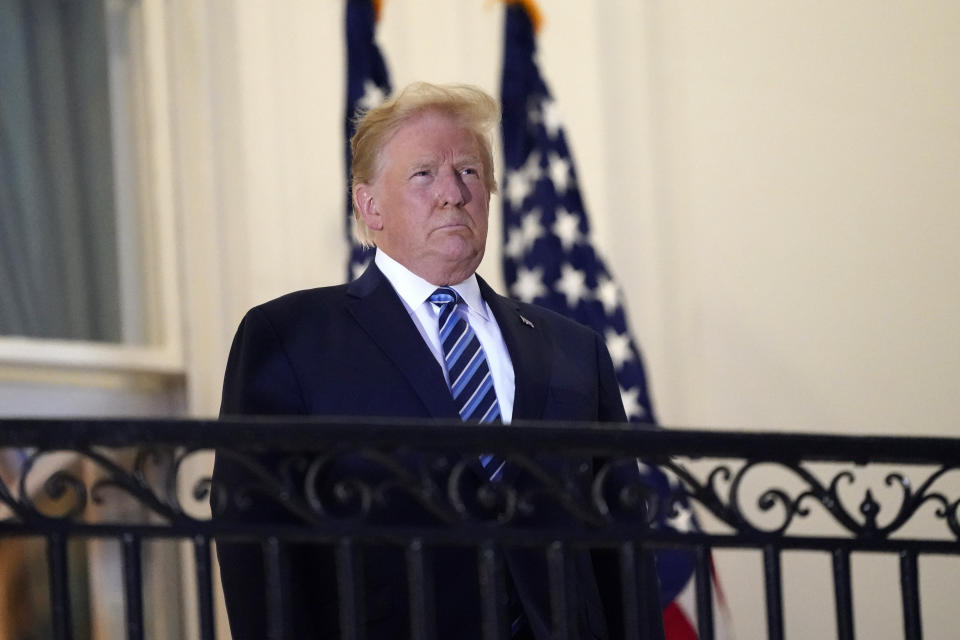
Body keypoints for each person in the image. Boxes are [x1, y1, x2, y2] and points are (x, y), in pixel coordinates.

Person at [214, 82, 664, 639]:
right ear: (369, 205)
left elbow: (621, 541)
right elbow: (255, 544)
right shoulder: (290, 338)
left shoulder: (573, 348)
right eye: (424, 173)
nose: (452, 193)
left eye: (470, 172)